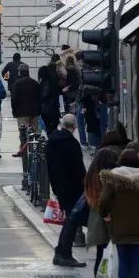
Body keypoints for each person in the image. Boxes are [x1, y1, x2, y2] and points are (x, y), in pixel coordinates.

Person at [98, 148, 139, 278]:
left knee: (123, 262)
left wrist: (106, 213)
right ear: (137, 162)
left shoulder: (113, 178)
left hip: (120, 225)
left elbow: (104, 200)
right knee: (137, 262)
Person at [47, 114, 88, 268]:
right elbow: (79, 169)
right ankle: (63, 253)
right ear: (75, 127)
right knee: (72, 221)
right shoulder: (72, 144)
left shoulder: (52, 140)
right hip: (73, 188)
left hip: (59, 186)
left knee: (70, 220)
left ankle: (61, 251)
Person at [84, 147, 120, 278]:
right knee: (103, 254)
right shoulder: (105, 179)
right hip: (103, 219)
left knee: (102, 253)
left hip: (96, 219)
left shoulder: (92, 176)